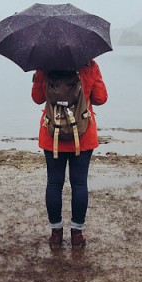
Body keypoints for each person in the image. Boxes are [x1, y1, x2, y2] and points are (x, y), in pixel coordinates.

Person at [31, 59, 108, 249]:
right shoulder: (89, 65)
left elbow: (37, 98)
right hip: (83, 136)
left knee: (54, 183)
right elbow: (101, 98)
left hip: (52, 135)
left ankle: (56, 235)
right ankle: (77, 235)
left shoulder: (45, 64)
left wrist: (38, 75)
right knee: (79, 183)